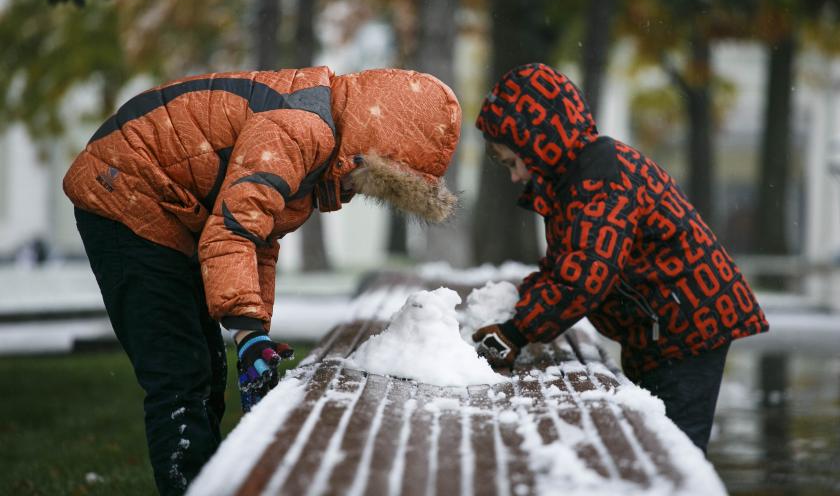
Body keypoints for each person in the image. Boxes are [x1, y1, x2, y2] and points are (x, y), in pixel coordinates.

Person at [63, 66, 461, 495]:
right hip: (124, 193)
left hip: (169, 209)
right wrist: (247, 330)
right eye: (371, 181)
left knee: (207, 370)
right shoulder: (298, 130)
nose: (358, 191)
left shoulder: (315, 141)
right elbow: (233, 230)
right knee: (178, 374)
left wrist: (255, 335)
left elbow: (258, 239)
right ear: (372, 144)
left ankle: (208, 482)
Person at [470, 62, 768, 453]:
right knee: (651, 441)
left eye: (513, 162)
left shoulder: (599, 180)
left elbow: (583, 278)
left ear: (539, 140)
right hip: (657, 328)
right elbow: (565, 267)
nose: (514, 177)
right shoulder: (575, 178)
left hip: (686, 329)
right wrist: (518, 312)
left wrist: (513, 334)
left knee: (673, 452)